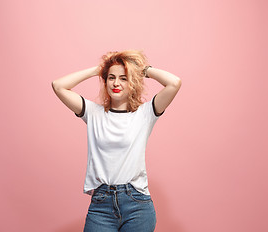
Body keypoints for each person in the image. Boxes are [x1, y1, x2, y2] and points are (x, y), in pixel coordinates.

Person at [52, 50, 182, 232]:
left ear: (132, 82)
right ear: (104, 81)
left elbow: (174, 83)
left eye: (124, 78)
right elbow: (58, 86)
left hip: (137, 205)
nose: (116, 83)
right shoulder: (93, 113)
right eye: (111, 77)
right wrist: (98, 70)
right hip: (101, 206)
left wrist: (143, 70)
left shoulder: (145, 114)